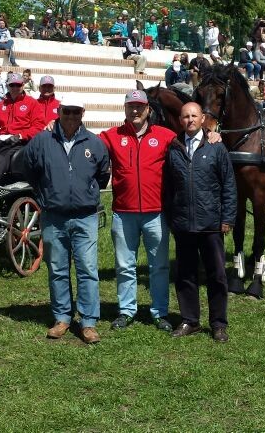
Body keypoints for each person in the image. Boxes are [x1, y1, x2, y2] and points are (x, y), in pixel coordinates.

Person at [22, 96, 110, 344]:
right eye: (67, 111)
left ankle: (89, 322)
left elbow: (103, 173)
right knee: (58, 270)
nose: (71, 117)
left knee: (88, 270)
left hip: (85, 216)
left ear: (83, 113)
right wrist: (43, 193)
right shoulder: (42, 140)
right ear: (59, 111)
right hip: (54, 217)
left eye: (76, 112)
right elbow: (27, 166)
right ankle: (62, 318)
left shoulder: (94, 142)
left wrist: (87, 193)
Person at [98, 90, 177, 333]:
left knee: (160, 266)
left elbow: (193, 143)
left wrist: (212, 135)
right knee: (124, 265)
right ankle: (126, 310)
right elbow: (83, 143)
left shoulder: (166, 136)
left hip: (156, 212)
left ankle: (160, 311)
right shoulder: (111, 136)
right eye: (130, 106)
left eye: (139, 106)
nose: (135, 110)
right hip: (124, 212)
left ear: (148, 110)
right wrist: (53, 125)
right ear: (124, 109)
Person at [164, 102, 236, 342]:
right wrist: (170, 217)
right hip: (183, 224)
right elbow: (168, 187)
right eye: (185, 116)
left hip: (211, 223)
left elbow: (228, 185)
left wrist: (227, 218)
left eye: (194, 116)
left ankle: (218, 324)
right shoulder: (173, 147)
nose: (190, 120)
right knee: (185, 274)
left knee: (216, 275)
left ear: (203, 118)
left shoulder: (216, 147)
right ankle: (189, 320)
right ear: (180, 119)